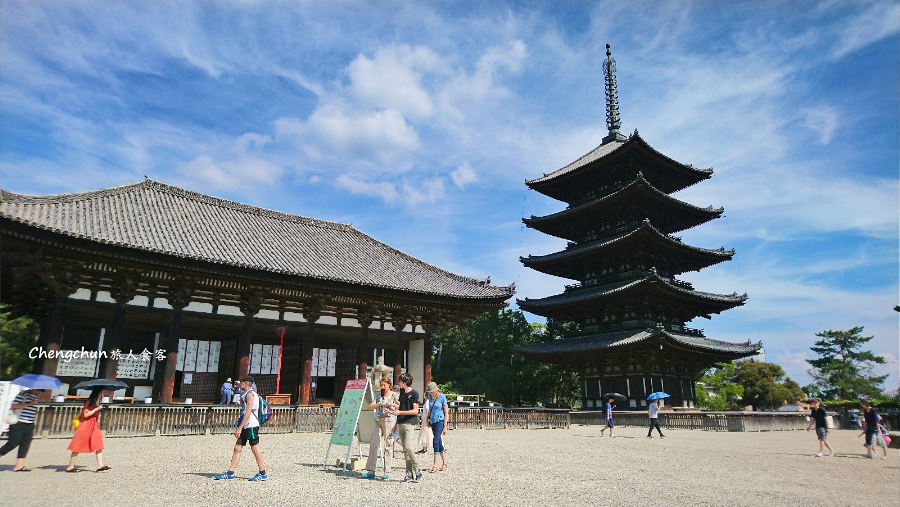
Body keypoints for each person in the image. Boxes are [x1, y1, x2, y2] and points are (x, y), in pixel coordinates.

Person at [215, 376, 267, 481]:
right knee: (237, 447)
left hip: (251, 424)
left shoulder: (250, 395)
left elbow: (248, 412)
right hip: (246, 424)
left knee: (255, 447)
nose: (240, 384)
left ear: (246, 383)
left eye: (241, 383)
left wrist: (240, 427)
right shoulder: (246, 394)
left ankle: (262, 472)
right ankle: (230, 472)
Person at [362, 376, 399, 480]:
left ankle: (387, 470)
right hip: (378, 420)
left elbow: (400, 406)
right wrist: (379, 403)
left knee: (388, 444)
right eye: (381, 385)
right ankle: (371, 470)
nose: (383, 387)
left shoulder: (394, 395)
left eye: (384, 385)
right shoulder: (379, 395)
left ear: (389, 385)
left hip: (389, 420)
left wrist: (391, 404)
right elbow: (370, 406)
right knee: (374, 443)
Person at [66, 387, 110, 472]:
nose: (104, 393)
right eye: (103, 391)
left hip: (94, 424)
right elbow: (85, 414)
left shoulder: (99, 401)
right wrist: (96, 409)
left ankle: (100, 465)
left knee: (98, 443)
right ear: (98, 392)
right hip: (86, 425)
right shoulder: (90, 402)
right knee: (78, 445)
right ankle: (70, 466)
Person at [1, 388, 43, 471]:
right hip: (18, 422)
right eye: (38, 390)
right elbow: (14, 406)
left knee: (25, 444)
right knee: (12, 443)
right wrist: (29, 404)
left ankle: (19, 465)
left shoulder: (35, 397)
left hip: (30, 423)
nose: (38, 392)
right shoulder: (23, 394)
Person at [392, 372, 422, 483]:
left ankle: (417, 467)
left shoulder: (414, 393)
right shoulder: (402, 393)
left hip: (409, 422)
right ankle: (408, 474)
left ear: (405, 382)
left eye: (400, 381)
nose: (399, 382)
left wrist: (400, 412)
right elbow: (400, 407)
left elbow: (415, 410)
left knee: (408, 446)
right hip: (400, 422)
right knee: (405, 450)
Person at [424, 382, 449, 473]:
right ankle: (445, 462)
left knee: (435, 441)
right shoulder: (430, 397)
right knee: (439, 442)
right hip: (433, 420)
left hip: (440, 420)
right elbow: (429, 409)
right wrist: (427, 419)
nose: (431, 393)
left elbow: (446, 412)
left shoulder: (442, 397)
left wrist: (445, 426)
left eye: (432, 391)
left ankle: (435, 465)